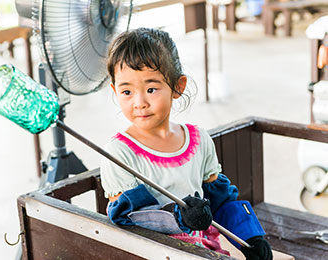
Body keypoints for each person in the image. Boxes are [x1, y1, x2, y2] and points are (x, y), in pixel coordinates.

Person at [100, 27, 273, 259]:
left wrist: (251, 237)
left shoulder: (199, 141)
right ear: (114, 91)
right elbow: (131, 217)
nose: (139, 102)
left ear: (177, 87)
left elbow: (221, 201)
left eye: (151, 89)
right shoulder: (120, 154)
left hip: (203, 250)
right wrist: (179, 217)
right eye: (127, 91)